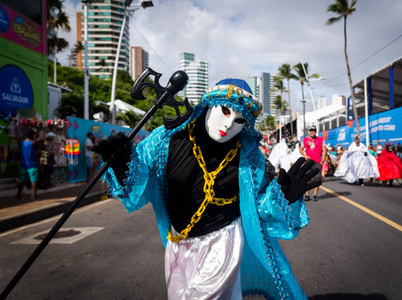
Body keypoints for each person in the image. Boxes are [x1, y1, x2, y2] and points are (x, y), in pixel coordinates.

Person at [93, 79, 321, 300]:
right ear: (208, 105)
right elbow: (139, 184)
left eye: (240, 121)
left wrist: (283, 196)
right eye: (225, 110)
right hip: (176, 244)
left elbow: (258, 209)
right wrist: (122, 164)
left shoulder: (250, 159)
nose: (229, 124)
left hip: (222, 244)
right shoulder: (164, 141)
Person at [299, 125, 326, 201]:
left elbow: (324, 150)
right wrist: (304, 155)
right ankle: (307, 195)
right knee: (307, 178)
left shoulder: (320, 139)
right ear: (309, 132)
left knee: (317, 179)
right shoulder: (305, 140)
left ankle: (315, 195)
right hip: (308, 162)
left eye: (313, 130)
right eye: (310, 130)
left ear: (315, 131)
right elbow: (301, 149)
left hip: (317, 162)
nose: (312, 132)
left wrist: (322, 161)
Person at [17, 128, 40, 201]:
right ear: (31, 135)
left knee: (22, 180)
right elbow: (37, 148)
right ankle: (34, 197)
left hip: (23, 164)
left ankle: (19, 194)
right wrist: (37, 137)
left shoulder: (22, 143)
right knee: (34, 182)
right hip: (32, 164)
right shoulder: (33, 143)